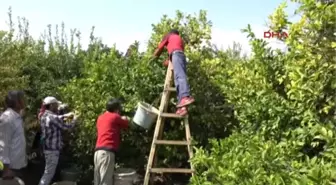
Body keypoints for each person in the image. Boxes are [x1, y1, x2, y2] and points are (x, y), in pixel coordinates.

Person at [153, 29, 195, 116]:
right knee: (177, 80)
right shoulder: (179, 40)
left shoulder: (169, 36)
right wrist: (168, 60)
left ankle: (185, 97)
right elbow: (177, 52)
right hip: (179, 56)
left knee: (180, 77)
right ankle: (182, 108)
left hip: (176, 55)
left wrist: (153, 57)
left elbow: (159, 49)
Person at [38, 96, 78, 185]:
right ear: (51, 105)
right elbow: (66, 125)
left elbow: (60, 117)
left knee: (48, 172)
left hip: (47, 148)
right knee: (48, 174)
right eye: (56, 105)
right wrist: (74, 117)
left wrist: (66, 113)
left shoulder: (44, 115)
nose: (57, 107)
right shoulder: (51, 117)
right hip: (52, 150)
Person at [94, 98, 129, 185]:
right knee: (106, 181)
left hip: (98, 152)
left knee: (97, 181)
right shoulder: (115, 116)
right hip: (107, 153)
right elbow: (126, 123)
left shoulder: (100, 118)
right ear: (117, 109)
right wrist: (125, 118)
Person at [0, 90, 27, 183]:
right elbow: (3, 144)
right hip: (10, 168)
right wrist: (6, 169)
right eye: (22, 99)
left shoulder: (16, 116)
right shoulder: (8, 118)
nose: (24, 100)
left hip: (18, 166)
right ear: (16, 102)